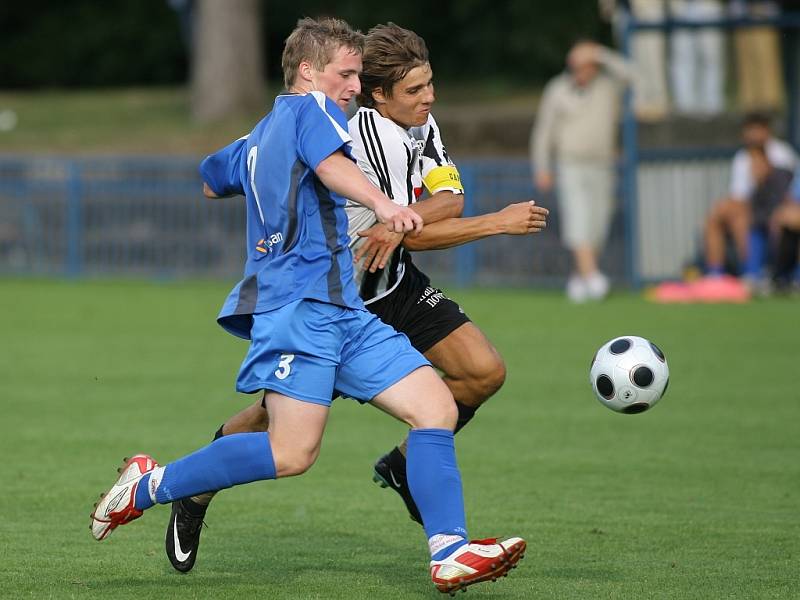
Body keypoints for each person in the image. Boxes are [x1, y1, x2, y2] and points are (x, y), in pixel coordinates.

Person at [89, 17, 525, 595]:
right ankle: (149, 485)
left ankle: (449, 552)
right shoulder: (309, 109)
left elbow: (208, 179)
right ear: (307, 72)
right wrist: (382, 203)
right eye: (345, 74)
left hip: (345, 308)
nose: (353, 85)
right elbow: (329, 165)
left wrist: (266, 171)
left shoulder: (262, 133)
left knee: (436, 407)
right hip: (299, 308)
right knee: (292, 452)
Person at [531, 39, 632, 302]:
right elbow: (544, 131)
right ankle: (594, 278)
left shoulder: (608, 85)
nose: (584, 71)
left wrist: (601, 53)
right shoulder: (557, 88)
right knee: (578, 219)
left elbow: (634, 75)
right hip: (570, 163)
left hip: (602, 163)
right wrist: (542, 166)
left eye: (589, 65)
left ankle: (581, 277)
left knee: (598, 224)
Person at [702, 113, 796, 282]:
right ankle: (715, 275)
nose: (751, 135)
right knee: (718, 216)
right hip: (756, 208)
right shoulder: (742, 157)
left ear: (766, 131)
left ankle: (755, 273)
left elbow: (787, 196)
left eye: (755, 130)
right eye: (748, 130)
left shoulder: (783, 155)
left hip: (777, 209)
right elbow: (739, 196)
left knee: (749, 219)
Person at [668, 0, 726, 117]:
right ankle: (684, 105)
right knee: (682, 57)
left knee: (711, 58)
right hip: (681, 7)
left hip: (708, 7)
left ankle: (712, 105)